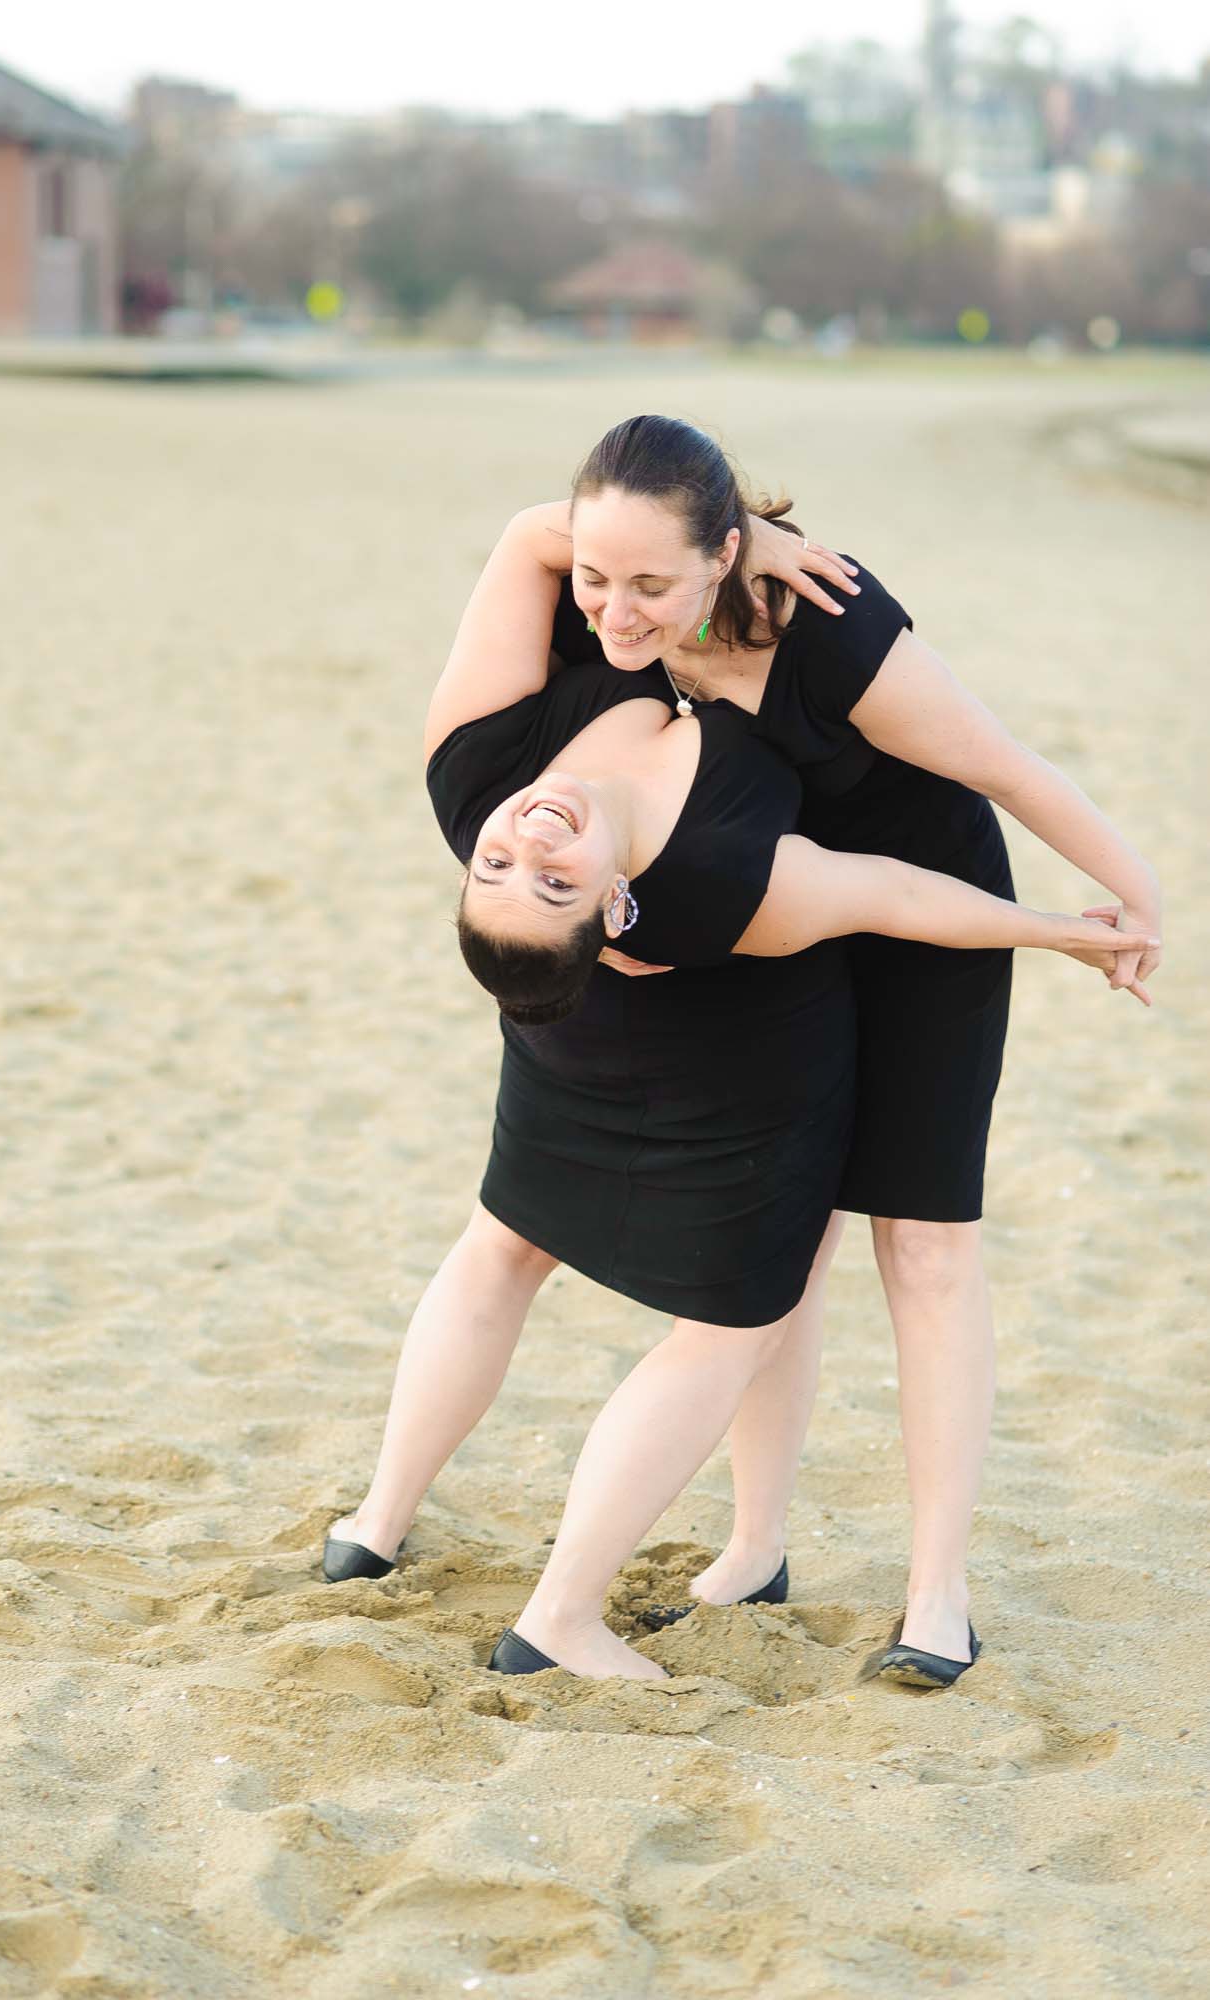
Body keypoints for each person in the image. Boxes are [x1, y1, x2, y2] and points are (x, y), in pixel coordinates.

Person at [324, 443, 1152, 1684]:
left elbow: (1000, 769)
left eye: (647, 585)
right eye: (597, 576)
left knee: (919, 1244)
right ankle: (752, 1543)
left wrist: (1126, 903)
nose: (613, 610)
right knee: (787, 1235)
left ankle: (937, 1592)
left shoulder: (830, 624)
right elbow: (537, 539)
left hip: (916, 906)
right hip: (754, 917)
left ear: (715, 557)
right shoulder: (593, 604)